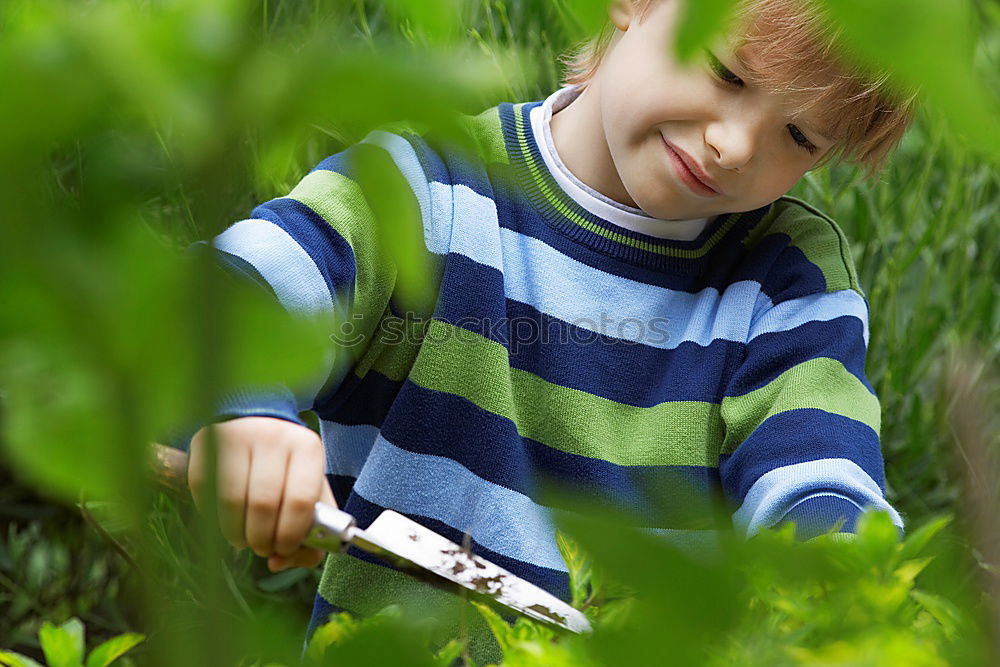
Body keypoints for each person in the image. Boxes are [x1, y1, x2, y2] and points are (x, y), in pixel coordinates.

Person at [177, 0, 914, 656]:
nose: (737, 146)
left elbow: (820, 477)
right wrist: (243, 411)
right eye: (727, 72)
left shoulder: (784, 280)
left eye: (799, 135)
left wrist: (840, 602)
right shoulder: (425, 192)